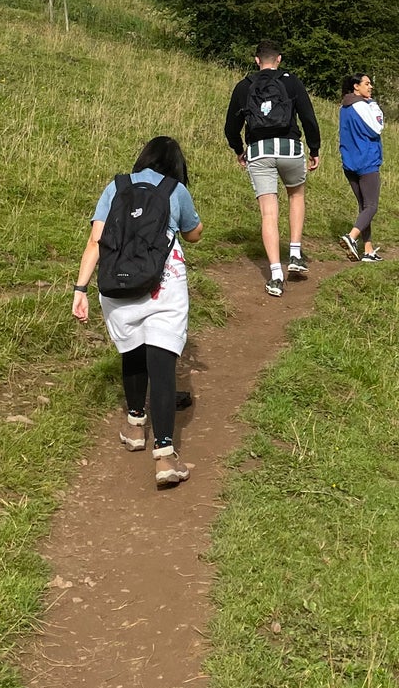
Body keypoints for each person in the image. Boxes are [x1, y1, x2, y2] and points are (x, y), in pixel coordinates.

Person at [72, 136, 202, 489]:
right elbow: (193, 233)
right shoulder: (175, 190)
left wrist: (80, 288)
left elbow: (95, 240)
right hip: (163, 283)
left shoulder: (116, 186)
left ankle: (134, 426)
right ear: (176, 165)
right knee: (161, 362)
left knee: (132, 348)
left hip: (117, 282)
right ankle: (164, 455)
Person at [224, 40, 321, 296]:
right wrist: (314, 149)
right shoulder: (291, 82)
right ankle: (296, 254)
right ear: (279, 59)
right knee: (296, 196)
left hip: (259, 151)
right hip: (290, 148)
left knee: (269, 213)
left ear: (257, 60)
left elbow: (230, 128)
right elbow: (308, 117)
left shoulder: (244, 86)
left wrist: (238, 150)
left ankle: (276, 275)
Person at [339, 71, 384, 262]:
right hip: (366, 161)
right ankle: (351, 237)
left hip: (350, 163)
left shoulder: (344, 107)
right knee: (372, 206)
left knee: (363, 206)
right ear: (356, 87)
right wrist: (373, 104)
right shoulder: (362, 106)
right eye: (367, 83)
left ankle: (368, 250)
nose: (370, 86)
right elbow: (377, 128)